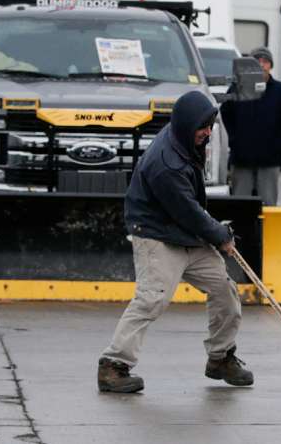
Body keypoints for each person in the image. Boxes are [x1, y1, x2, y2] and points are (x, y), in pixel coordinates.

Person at [97, 91, 252, 393]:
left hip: (186, 233)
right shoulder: (165, 164)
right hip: (157, 233)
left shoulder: (184, 136)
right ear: (186, 124)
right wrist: (221, 235)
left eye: (210, 126)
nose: (207, 133)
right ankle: (113, 366)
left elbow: (191, 213)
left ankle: (220, 357)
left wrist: (214, 233)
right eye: (202, 127)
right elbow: (188, 212)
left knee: (224, 290)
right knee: (152, 298)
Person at [220, 47, 281, 205]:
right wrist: (235, 140)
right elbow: (226, 113)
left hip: (270, 161)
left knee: (268, 205)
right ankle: (240, 231)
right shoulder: (237, 88)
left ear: (271, 65)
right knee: (239, 205)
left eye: (266, 62)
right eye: (257, 62)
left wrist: (279, 147)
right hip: (242, 159)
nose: (262, 65)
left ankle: (266, 230)